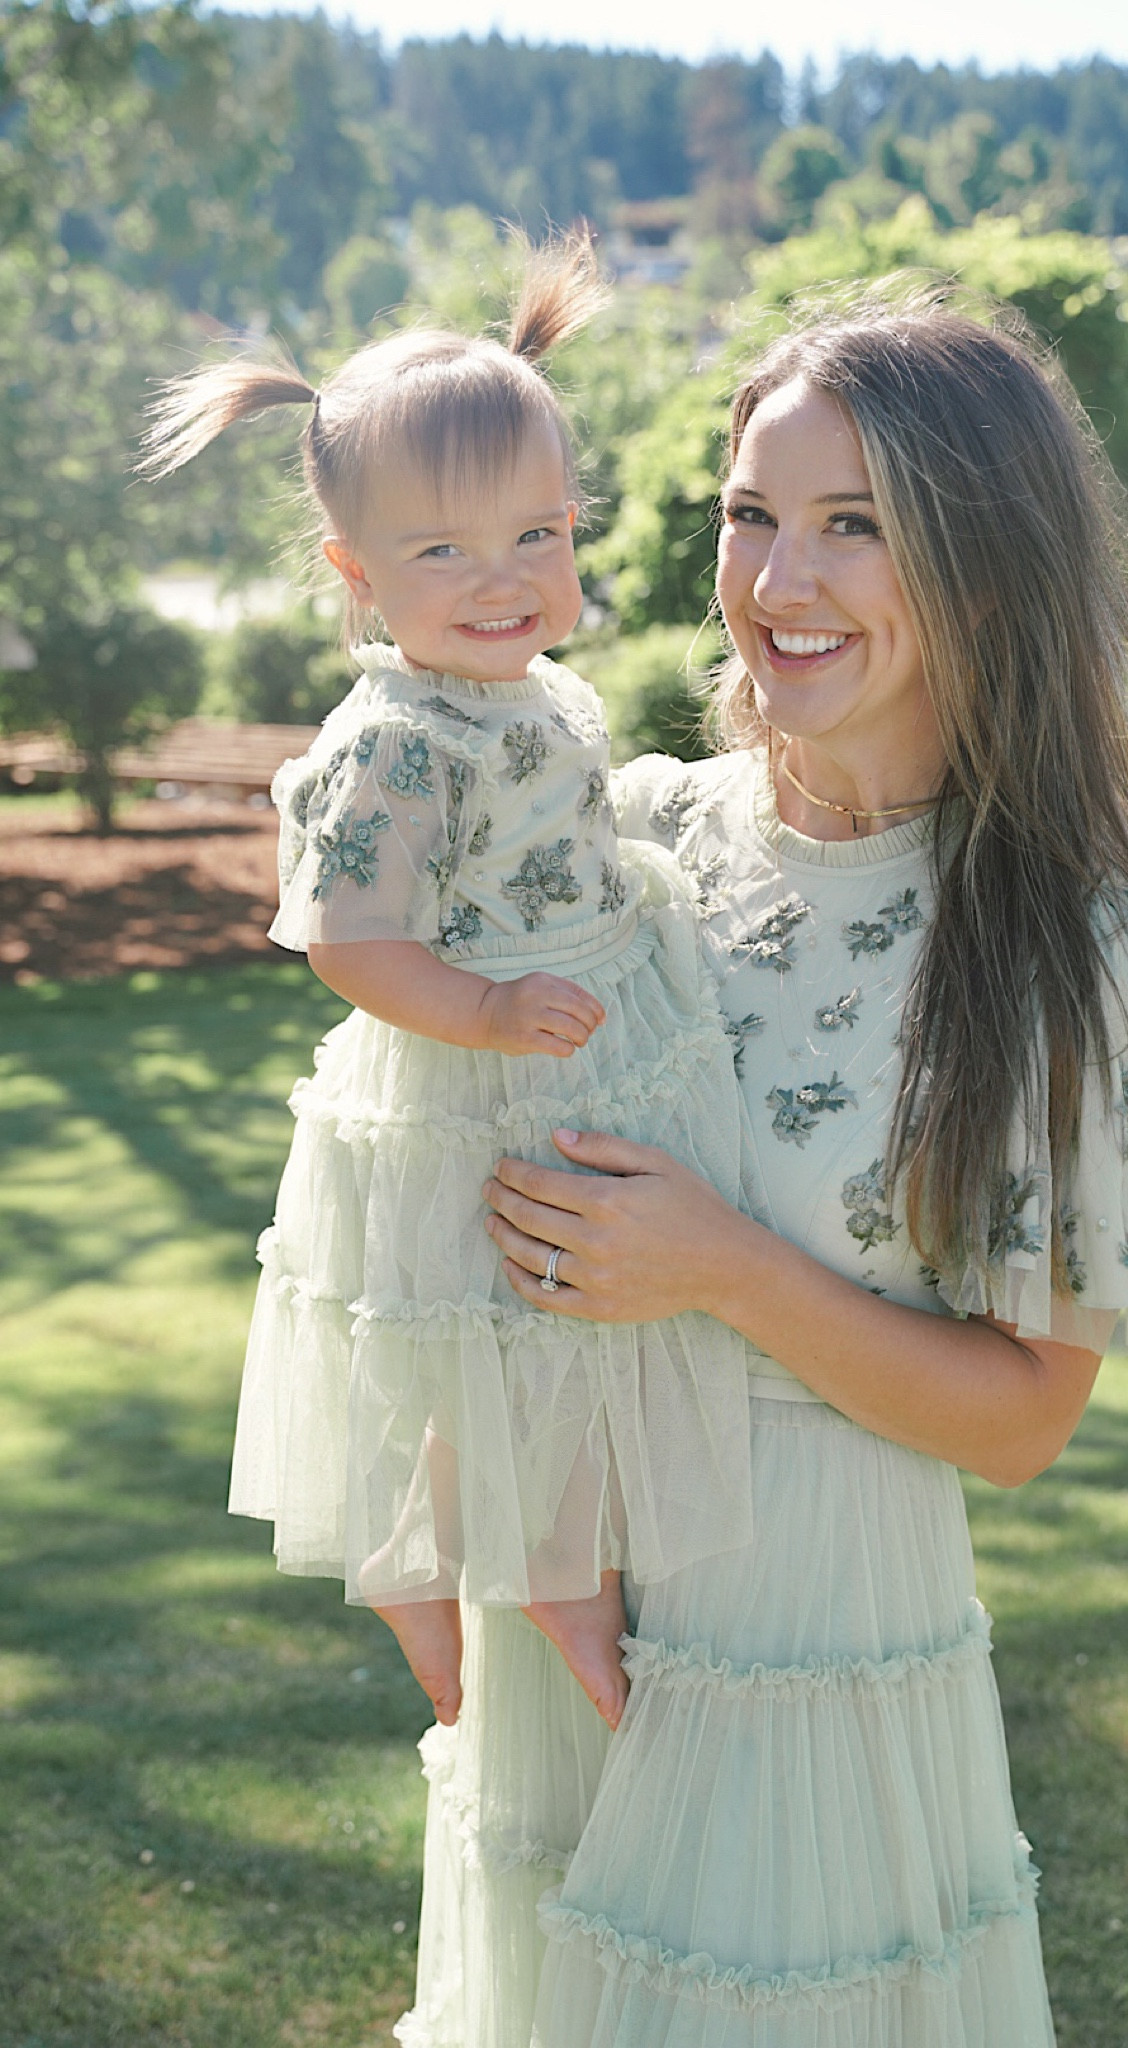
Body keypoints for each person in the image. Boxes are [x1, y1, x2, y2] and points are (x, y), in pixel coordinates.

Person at [399, 288, 1128, 2046]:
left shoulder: (1077, 943)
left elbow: (1021, 1422)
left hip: (818, 1641)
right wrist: (470, 1508)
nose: (779, 582)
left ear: (986, 561)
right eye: (751, 516)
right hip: (569, 1616)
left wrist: (726, 1267)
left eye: (854, 526)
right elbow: (431, 1158)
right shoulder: (620, 840)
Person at [138, 234, 761, 1733]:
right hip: (474, 1069)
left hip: (584, 1028)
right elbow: (347, 940)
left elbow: (547, 833)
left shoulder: (539, 690)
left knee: (584, 1322)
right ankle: (509, 1585)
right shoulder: (391, 741)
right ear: (354, 577)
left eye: (537, 537)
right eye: (443, 554)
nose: (505, 583)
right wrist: (482, 1009)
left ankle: (525, 1567)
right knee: (503, 1333)